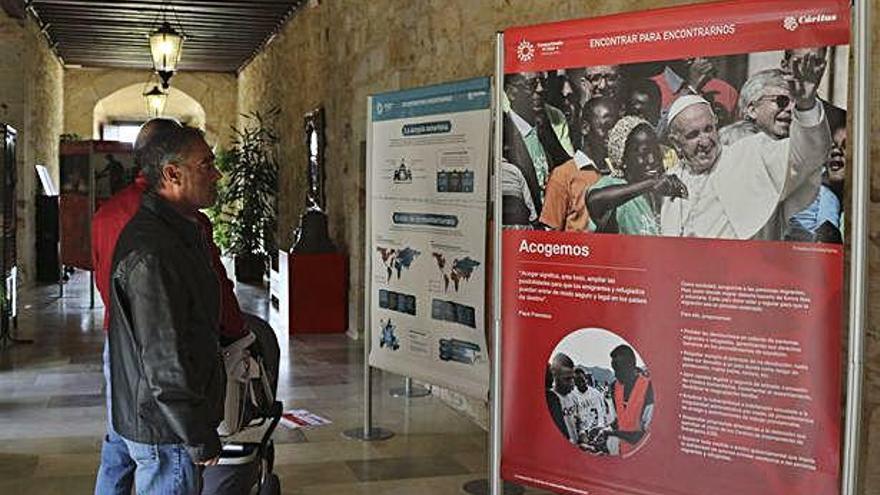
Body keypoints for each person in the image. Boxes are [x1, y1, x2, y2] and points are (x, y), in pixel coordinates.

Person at [106, 125, 226, 493]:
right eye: (206, 164)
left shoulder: (175, 233)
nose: (217, 173)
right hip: (166, 430)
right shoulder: (154, 251)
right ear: (173, 173)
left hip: (164, 422)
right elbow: (163, 358)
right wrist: (195, 432)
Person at [659, 50, 831, 241]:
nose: (705, 141)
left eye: (709, 129)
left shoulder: (751, 153)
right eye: (693, 135)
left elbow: (808, 155)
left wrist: (806, 105)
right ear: (676, 142)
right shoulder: (671, 177)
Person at [586, 116, 686, 235]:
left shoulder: (665, 185)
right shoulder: (614, 185)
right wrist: (650, 184)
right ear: (623, 160)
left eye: (656, 150)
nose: (652, 159)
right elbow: (594, 200)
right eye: (643, 153)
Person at [503, 72, 575, 215]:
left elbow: (569, 171)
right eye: (531, 85)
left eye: (543, 82)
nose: (541, 89)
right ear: (511, 93)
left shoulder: (546, 126)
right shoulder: (503, 132)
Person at [719, 69, 793, 145]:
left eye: (796, 103)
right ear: (753, 110)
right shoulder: (734, 143)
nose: (791, 108)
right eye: (782, 101)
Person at [607, 345, 654, 457]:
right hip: (619, 453)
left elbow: (648, 435)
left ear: (631, 366)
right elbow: (619, 419)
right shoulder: (614, 386)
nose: (615, 374)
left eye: (619, 369)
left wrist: (613, 433)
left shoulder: (648, 388)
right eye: (614, 369)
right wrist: (606, 428)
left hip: (641, 455)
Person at [548, 353, 579, 444]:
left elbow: (577, 420)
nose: (572, 383)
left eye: (573, 378)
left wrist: (582, 435)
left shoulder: (573, 396)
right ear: (555, 377)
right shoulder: (551, 401)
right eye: (567, 379)